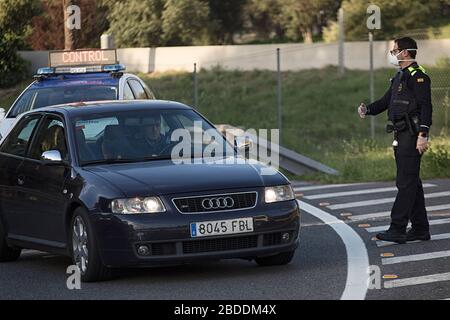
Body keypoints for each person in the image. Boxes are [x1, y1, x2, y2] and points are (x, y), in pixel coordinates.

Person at [358, 37, 433, 244]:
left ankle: (397, 228)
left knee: (405, 182)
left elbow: (426, 106)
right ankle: (420, 228)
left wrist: (423, 135)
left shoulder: (418, 76)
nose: (392, 53)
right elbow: (385, 102)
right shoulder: (399, 76)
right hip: (400, 133)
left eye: (395, 50)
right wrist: (368, 110)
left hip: (412, 134)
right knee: (412, 182)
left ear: (405, 53)